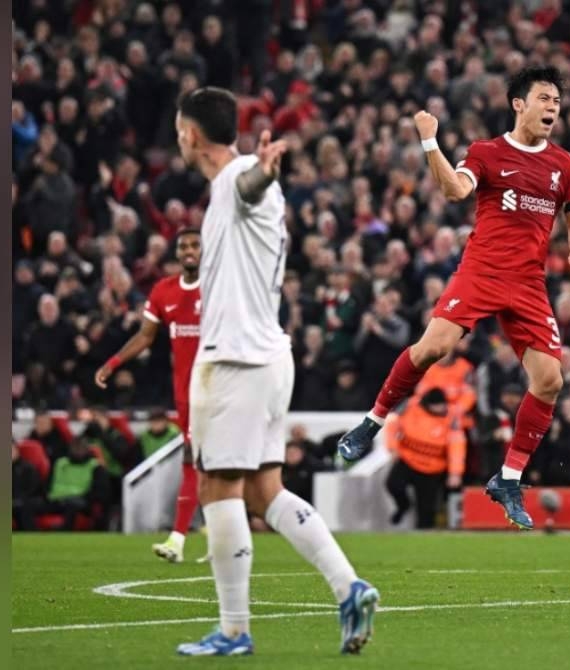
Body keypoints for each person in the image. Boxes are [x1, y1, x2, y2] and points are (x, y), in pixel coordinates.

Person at [336, 66, 570, 530]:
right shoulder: (486, 153)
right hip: (483, 271)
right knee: (433, 348)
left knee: (550, 380)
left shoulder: (565, 165)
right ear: (519, 104)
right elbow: (455, 191)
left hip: (529, 283)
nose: (553, 107)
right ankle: (372, 422)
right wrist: (430, 141)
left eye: (557, 100)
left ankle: (508, 477)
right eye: (544, 98)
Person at [170, 87, 377, 657]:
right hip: (267, 355)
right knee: (265, 490)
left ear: (189, 133)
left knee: (217, 486)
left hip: (234, 359)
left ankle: (234, 631)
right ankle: (349, 586)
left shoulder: (238, 179)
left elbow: (246, 187)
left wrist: (260, 172)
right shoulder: (235, 184)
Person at [95, 228, 203, 564]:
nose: (188, 250)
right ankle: (192, 540)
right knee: (197, 463)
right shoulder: (163, 290)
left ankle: (183, 538)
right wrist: (112, 363)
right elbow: (145, 336)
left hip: (221, 390)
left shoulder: (219, 285)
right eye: (183, 246)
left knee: (208, 464)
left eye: (194, 245)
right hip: (186, 396)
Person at [383, 388, 465, 529]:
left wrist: (455, 473)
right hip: (408, 459)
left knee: (426, 511)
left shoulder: (452, 417)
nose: (441, 409)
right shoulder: (409, 406)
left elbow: (457, 446)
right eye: (437, 406)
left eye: (443, 405)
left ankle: (424, 541)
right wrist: (393, 448)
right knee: (393, 485)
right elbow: (392, 423)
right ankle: (404, 505)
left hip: (433, 468)